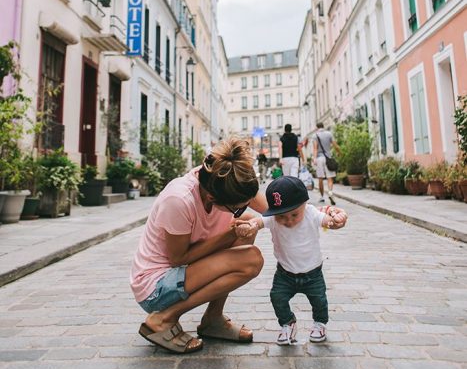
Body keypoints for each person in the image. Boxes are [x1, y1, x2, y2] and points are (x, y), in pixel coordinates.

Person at [130, 137, 267, 354]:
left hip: (183, 273)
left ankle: (213, 320)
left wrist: (322, 216)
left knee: (245, 227)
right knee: (251, 259)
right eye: (236, 208)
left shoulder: (225, 178)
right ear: (212, 198)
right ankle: (163, 319)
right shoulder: (179, 199)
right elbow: (178, 259)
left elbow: (273, 209)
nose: (240, 210)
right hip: (155, 286)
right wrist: (227, 235)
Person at [234, 176, 347, 345]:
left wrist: (336, 222)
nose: (288, 220)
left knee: (320, 301)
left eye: (294, 214)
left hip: (313, 274)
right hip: (285, 274)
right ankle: (288, 323)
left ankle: (320, 324)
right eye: (282, 217)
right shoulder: (272, 218)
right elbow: (257, 222)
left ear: (304, 205)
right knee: (277, 297)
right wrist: (249, 226)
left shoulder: (311, 213)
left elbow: (329, 222)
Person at [313, 122, 340, 205]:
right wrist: (339, 152)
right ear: (323, 126)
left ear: (317, 127)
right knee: (330, 177)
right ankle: (330, 192)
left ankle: (322, 197)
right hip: (328, 158)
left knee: (320, 178)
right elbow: (335, 145)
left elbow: (315, 148)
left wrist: (314, 158)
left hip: (320, 158)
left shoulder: (315, 135)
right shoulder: (329, 134)